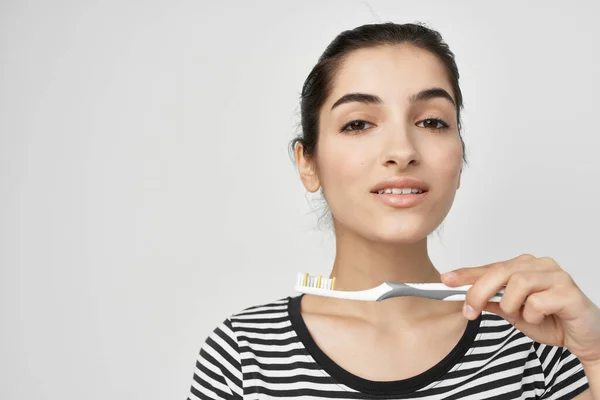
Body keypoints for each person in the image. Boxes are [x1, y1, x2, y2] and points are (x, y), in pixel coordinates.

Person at [186, 22, 599, 399]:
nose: (402, 151)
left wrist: (596, 357)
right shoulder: (244, 354)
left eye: (432, 122)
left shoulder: (536, 346)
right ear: (307, 163)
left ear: (459, 160)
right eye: (358, 124)